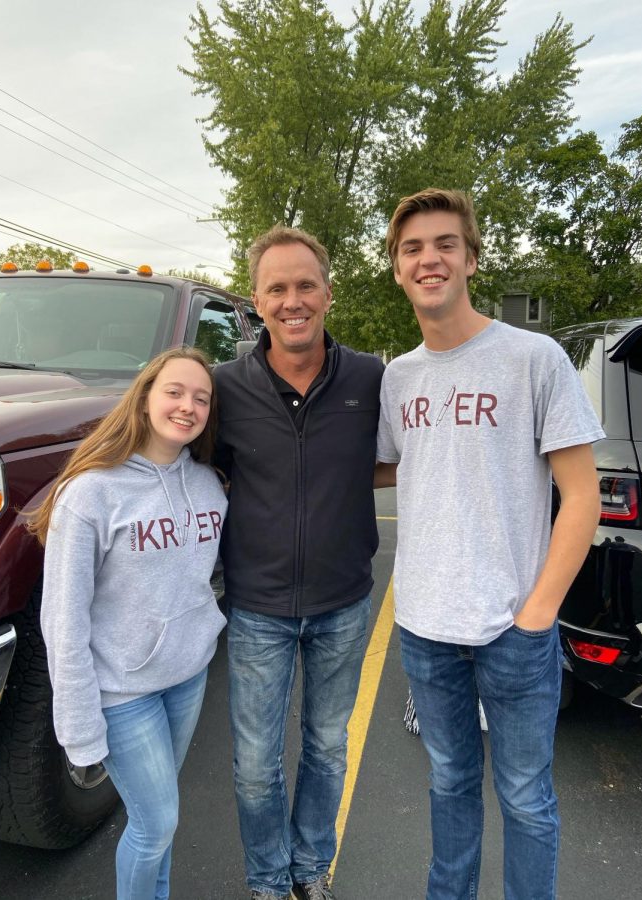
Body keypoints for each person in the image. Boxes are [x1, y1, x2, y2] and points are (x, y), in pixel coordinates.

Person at [375, 188, 604, 900]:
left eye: (444, 244)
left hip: (513, 625)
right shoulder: (397, 376)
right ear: (396, 268)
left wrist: (536, 612)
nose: (428, 258)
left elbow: (582, 498)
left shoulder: (531, 359)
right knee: (448, 784)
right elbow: (386, 467)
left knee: (526, 797)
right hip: (423, 626)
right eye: (411, 248)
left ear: (471, 258)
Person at [213, 225, 383, 900]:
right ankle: (266, 879)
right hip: (257, 608)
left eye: (304, 284)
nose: (292, 300)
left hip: (344, 600)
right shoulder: (222, 388)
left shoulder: (371, 376)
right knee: (255, 765)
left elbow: (412, 453)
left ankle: (310, 872)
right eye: (276, 288)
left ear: (327, 294)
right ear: (256, 302)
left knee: (326, 748)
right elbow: (184, 470)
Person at [31, 347, 228, 900]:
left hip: (187, 676)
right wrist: (78, 725)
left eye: (201, 398)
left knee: (157, 822)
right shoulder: (91, 493)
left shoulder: (210, 486)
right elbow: (62, 619)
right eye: (174, 391)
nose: (187, 406)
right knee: (156, 823)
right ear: (144, 398)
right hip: (123, 691)